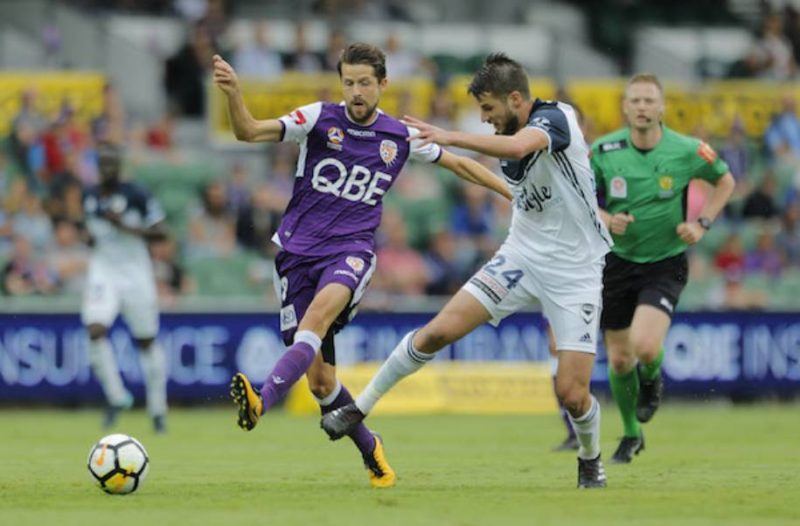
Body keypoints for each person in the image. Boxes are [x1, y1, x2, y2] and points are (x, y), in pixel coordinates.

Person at [212, 43, 511, 489]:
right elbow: (249, 132)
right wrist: (235, 93)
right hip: (296, 254)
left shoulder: (399, 137)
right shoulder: (317, 119)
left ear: (383, 84)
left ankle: (262, 398)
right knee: (321, 384)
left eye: (365, 83)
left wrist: (513, 194)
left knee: (316, 320)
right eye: (349, 82)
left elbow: (461, 164)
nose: (356, 91)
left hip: (350, 251)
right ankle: (372, 448)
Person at [322, 53, 613, 489]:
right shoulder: (508, 131)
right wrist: (439, 150)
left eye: (489, 109)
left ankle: (590, 458)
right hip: (521, 256)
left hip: (577, 272)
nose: (485, 119)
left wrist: (450, 135)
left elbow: (516, 148)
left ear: (516, 99)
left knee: (572, 394)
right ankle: (359, 407)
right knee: (438, 332)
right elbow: (478, 165)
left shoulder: (557, 119)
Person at [589, 74, 735, 464]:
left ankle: (652, 378)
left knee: (646, 346)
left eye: (648, 100)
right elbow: (579, 195)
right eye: (634, 100)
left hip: (664, 262)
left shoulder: (688, 150)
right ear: (624, 107)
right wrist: (604, 216)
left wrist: (701, 223)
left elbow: (725, 181)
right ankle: (631, 434)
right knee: (619, 360)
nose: (641, 107)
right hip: (616, 262)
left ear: (661, 107)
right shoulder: (604, 150)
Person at [81, 143, 169, 433]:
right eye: (103, 163)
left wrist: (124, 227)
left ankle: (157, 409)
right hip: (103, 270)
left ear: (119, 166)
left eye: (112, 163)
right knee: (95, 328)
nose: (107, 169)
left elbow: (161, 232)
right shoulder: (90, 196)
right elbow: (92, 233)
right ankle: (117, 397)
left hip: (135, 272)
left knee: (145, 340)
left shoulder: (137, 194)